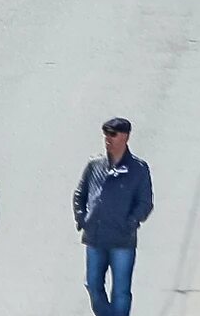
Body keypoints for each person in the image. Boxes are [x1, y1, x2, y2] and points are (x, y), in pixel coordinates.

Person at [74, 116, 154, 316]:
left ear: (125, 137)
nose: (107, 139)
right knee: (92, 284)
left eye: (113, 134)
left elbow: (145, 202)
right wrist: (82, 218)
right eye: (105, 134)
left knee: (121, 291)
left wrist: (131, 222)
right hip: (95, 236)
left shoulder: (138, 169)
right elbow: (80, 194)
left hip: (122, 240)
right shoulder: (95, 165)